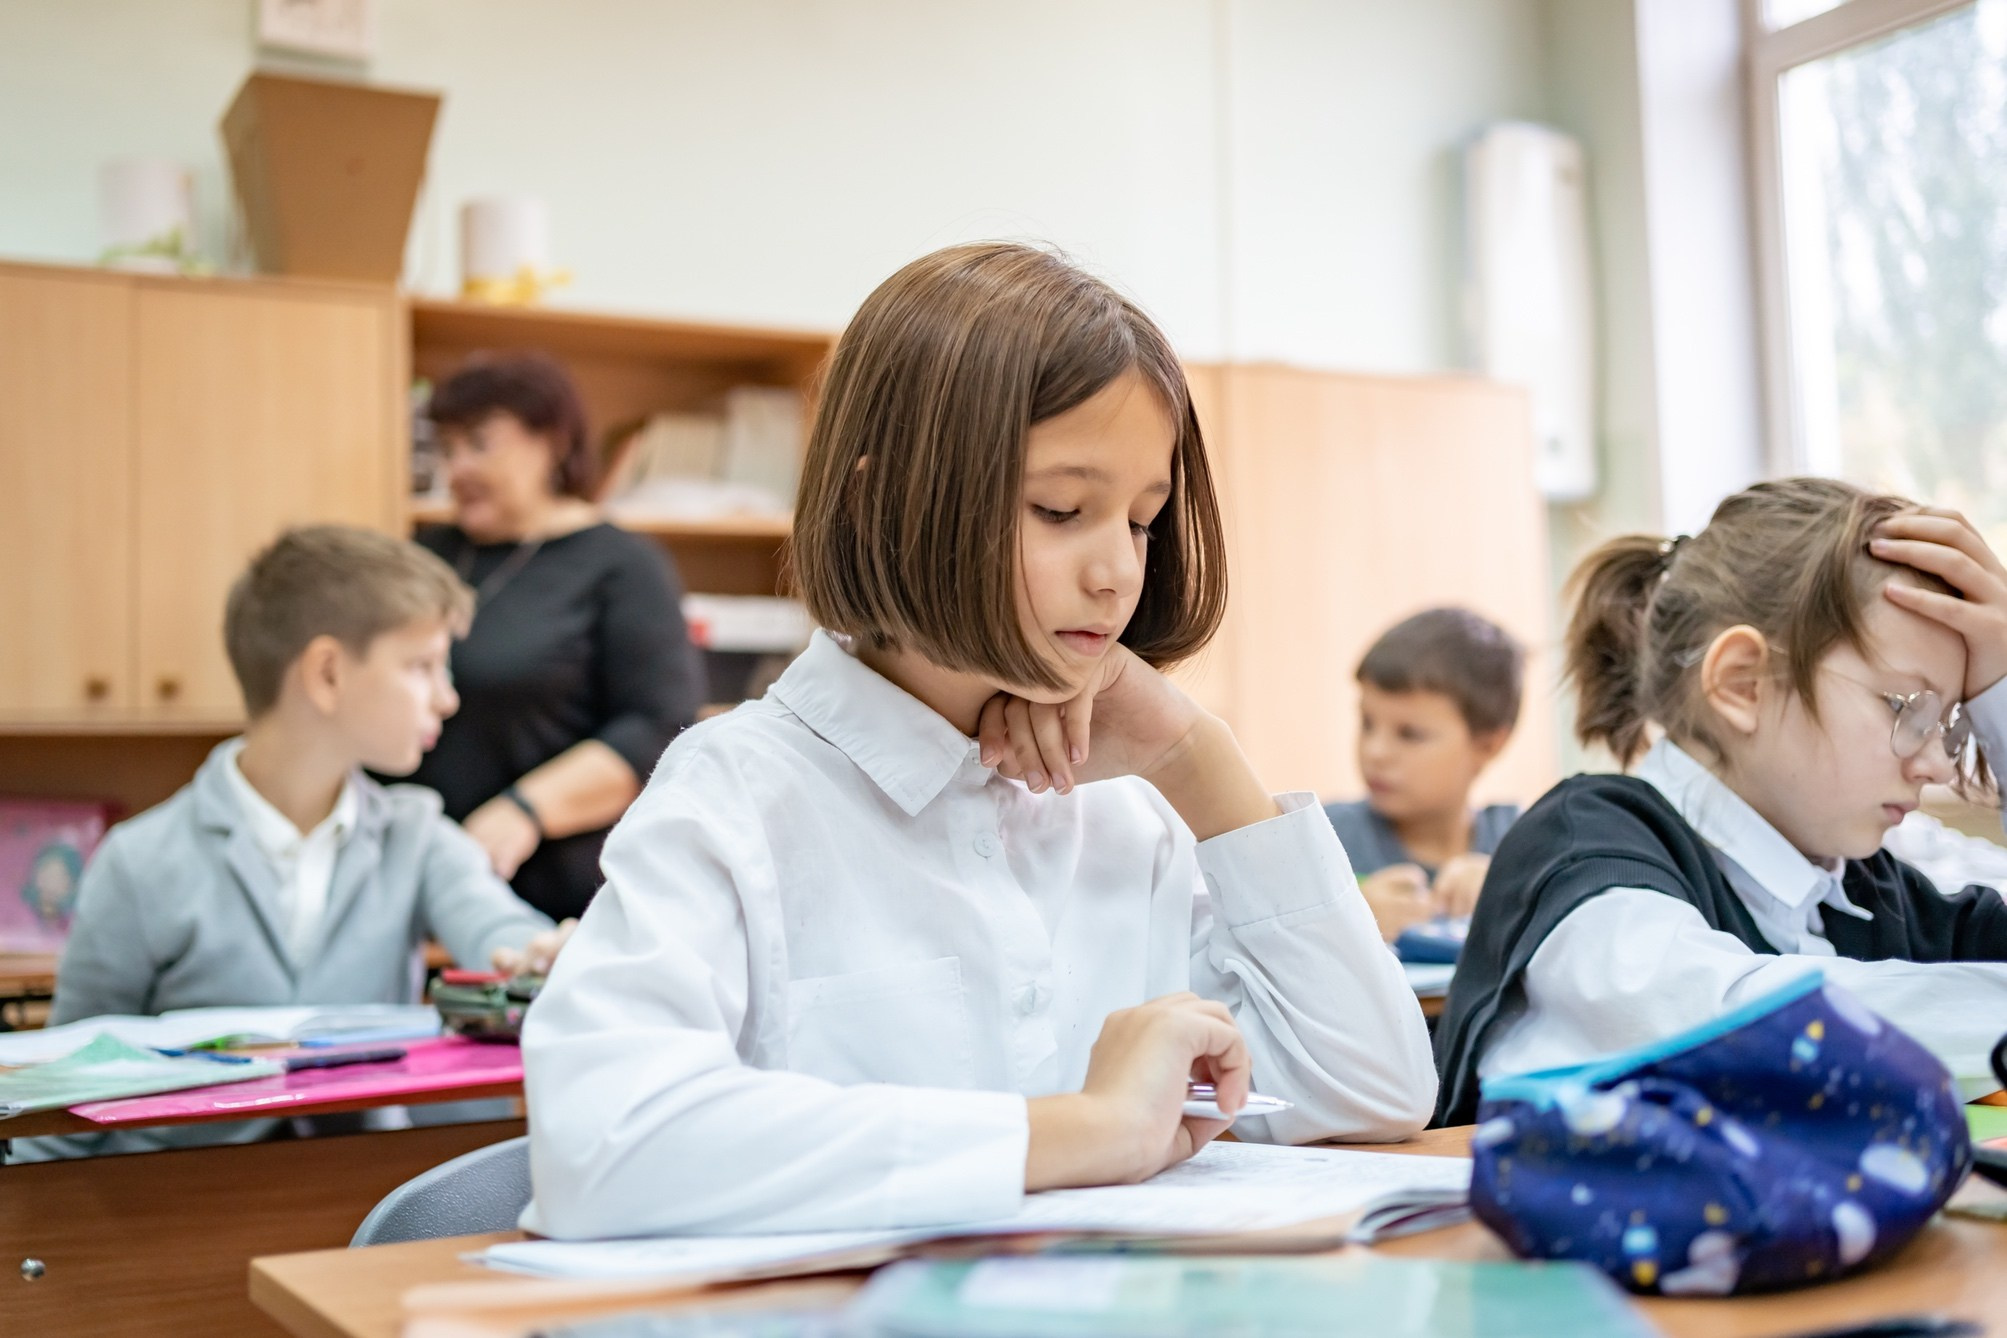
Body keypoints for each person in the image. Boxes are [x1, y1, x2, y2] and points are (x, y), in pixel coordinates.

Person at [520, 242, 1437, 1240]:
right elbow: (600, 1143)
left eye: (1141, 521)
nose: (1116, 575)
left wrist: (1196, 762)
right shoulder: (736, 794)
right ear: (885, 502)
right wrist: (1082, 1132)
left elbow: (1373, 1089)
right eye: (1060, 510)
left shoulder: (1127, 806)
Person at [1433, 479, 2007, 1126]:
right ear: (1742, 683)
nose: (1934, 764)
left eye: (1953, 724)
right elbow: (1741, 1024)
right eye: (1908, 710)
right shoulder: (1582, 845)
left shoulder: (1863, 892)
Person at [22, 527, 570, 1159]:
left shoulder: (418, 838)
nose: (447, 698)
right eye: (422, 667)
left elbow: (501, 932)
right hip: (171, 1217)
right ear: (328, 673)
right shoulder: (138, 860)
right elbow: (59, 1102)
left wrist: (542, 954)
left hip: (357, 1210)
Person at [411, 353, 706, 921]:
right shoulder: (426, 556)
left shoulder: (622, 565)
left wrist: (522, 812)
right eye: (447, 449)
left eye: (479, 443)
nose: (458, 468)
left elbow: (658, 728)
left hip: (560, 896)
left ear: (550, 439)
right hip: (427, 888)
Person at [1323, 608, 1524, 941]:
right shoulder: (1324, 840)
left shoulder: (1522, 848)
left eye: (1410, 734)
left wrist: (1511, 892)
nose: (1375, 751)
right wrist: (1348, 922)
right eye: (1367, 724)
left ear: (1488, 745)